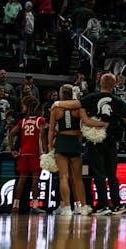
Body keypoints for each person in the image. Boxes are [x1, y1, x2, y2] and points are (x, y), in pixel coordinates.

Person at [55, 73, 126, 215]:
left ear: (100, 83)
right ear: (114, 86)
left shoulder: (91, 98)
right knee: (112, 174)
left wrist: (57, 103)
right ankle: (117, 205)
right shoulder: (119, 101)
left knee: (98, 173)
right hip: (112, 141)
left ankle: (102, 206)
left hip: (94, 141)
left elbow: (76, 104)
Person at [48, 84, 101, 216]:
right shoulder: (78, 107)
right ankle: (82, 206)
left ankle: (66, 207)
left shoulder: (56, 109)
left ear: (61, 94)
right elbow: (85, 123)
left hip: (61, 142)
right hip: (74, 142)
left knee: (63, 177)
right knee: (78, 178)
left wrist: (49, 145)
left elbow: (51, 129)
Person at [7, 96, 47, 214]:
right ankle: (34, 206)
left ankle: (15, 205)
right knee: (35, 181)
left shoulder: (22, 121)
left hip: (23, 153)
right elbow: (43, 135)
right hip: (35, 153)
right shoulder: (40, 120)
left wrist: (12, 149)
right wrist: (45, 151)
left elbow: (10, 135)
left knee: (21, 180)